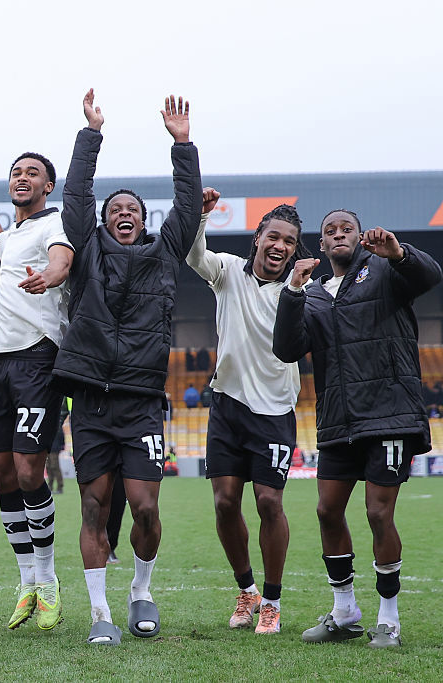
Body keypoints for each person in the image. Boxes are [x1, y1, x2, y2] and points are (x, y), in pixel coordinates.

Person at [51, 90, 202, 645]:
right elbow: (76, 195)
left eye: (131, 212)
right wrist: (91, 135)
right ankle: (100, 615)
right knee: (93, 503)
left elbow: (187, 211)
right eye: (115, 211)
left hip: (140, 402)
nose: (122, 216)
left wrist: (181, 145)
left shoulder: (165, 254)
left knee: (143, 507)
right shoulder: (87, 250)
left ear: (144, 223)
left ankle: (140, 592)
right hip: (90, 400)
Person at [274, 211, 442, 649]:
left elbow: (430, 276)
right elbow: (287, 348)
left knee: (377, 513)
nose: (338, 234)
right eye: (330, 231)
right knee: (327, 511)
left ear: (359, 236)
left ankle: (389, 619)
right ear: (322, 246)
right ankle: (345, 611)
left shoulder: (387, 272)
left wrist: (400, 253)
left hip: (389, 416)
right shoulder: (311, 296)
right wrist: (292, 292)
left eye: (346, 228)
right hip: (338, 421)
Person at [187, 195, 311, 635]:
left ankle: (272, 601)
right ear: (258, 239)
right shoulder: (228, 272)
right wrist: (201, 214)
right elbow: (193, 253)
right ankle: (247, 590)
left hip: (275, 410)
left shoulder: (301, 292)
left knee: (269, 502)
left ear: (295, 250)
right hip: (227, 404)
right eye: (273, 236)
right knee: (224, 503)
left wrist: (298, 290)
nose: (280, 246)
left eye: (289, 241)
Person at [0, 141, 74, 631]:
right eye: (17, 173)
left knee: (32, 470)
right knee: (4, 472)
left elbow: (61, 262)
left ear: (47, 185)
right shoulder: (13, 234)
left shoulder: (56, 223)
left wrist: (49, 279)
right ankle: (27, 581)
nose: (22, 178)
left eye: (32, 173)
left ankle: (49, 581)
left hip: (38, 356)